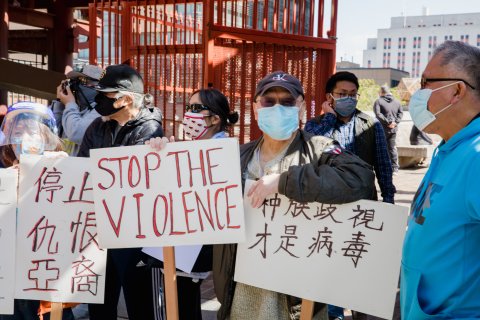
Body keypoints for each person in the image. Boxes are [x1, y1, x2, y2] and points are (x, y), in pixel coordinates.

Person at [212, 71, 376, 320]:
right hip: (240, 297)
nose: (278, 108)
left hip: (296, 304)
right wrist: (161, 156)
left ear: (300, 106)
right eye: (269, 101)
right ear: (256, 107)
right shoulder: (236, 155)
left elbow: (360, 178)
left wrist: (284, 181)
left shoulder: (320, 148)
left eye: (287, 102)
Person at [77, 64, 164, 320]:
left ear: (124, 100)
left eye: (104, 95)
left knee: (141, 304)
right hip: (98, 231)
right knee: (99, 306)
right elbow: (82, 168)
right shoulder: (97, 127)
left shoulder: (150, 131)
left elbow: (137, 183)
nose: (97, 101)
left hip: (135, 235)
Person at [402, 41, 480, 318]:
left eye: (426, 82)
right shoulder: (448, 148)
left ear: (457, 90)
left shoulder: (476, 156)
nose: (417, 93)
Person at [146, 88, 239, 320]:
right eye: (188, 108)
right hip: (186, 244)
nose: (188, 114)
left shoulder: (228, 153)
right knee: (181, 301)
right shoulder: (186, 150)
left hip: (208, 246)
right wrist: (161, 153)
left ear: (216, 119)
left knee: (188, 301)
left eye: (196, 109)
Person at [0, 101, 73, 320]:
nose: (24, 138)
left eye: (32, 132)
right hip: (10, 284)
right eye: (17, 132)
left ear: (47, 137)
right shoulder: (4, 176)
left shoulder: (67, 171)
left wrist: (62, 170)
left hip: (51, 279)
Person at [305, 71, 395, 204]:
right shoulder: (314, 124)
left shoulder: (371, 125)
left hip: (363, 198)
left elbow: (383, 165)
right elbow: (309, 151)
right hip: (326, 199)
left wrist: (388, 198)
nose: (348, 98)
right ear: (329, 97)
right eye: (342, 94)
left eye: (353, 94)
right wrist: (329, 118)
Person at [54, 64, 103, 155]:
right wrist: (59, 102)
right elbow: (55, 133)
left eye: (83, 81)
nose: (75, 86)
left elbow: (76, 134)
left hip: (87, 168)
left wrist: (69, 104)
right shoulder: (76, 109)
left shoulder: (101, 111)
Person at [373, 85, 403, 173]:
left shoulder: (378, 101)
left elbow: (378, 114)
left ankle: (383, 168)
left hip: (381, 129)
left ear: (381, 92)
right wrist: (395, 123)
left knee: (380, 148)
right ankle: (395, 168)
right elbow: (400, 114)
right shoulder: (397, 102)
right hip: (393, 129)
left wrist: (387, 122)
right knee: (392, 148)